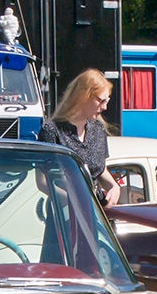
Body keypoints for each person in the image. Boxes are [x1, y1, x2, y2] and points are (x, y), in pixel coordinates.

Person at [36, 69, 120, 205]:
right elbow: (42, 182)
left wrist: (114, 187)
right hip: (64, 216)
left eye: (107, 100)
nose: (105, 107)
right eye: (101, 100)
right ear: (83, 96)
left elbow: (99, 169)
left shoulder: (98, 129)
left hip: (95, 214)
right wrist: (74, 202)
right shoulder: (52, 130)